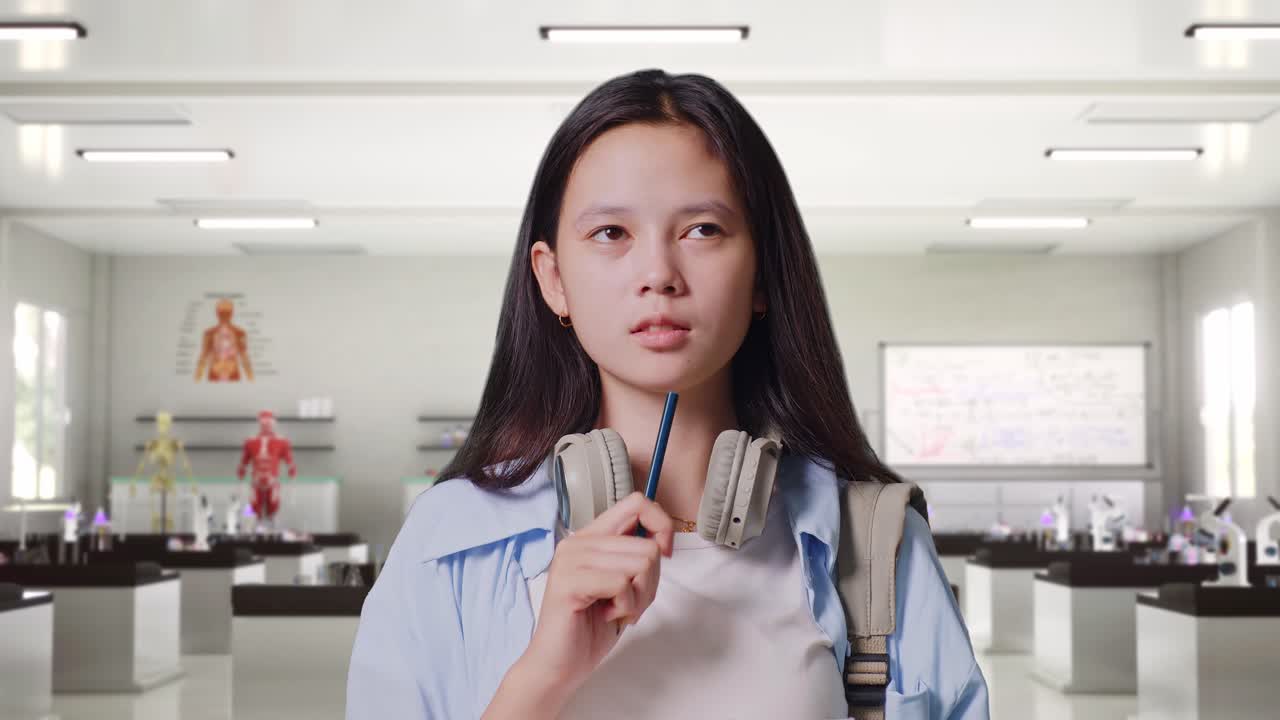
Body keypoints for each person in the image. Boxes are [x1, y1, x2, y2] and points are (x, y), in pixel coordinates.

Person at [347, 69, 989, 719]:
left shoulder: (878, 544)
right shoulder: (448, 539)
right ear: (552, 280)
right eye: (611, 234)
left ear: (763, 273)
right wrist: (543, 675)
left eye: (703, 230)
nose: (658, 274)